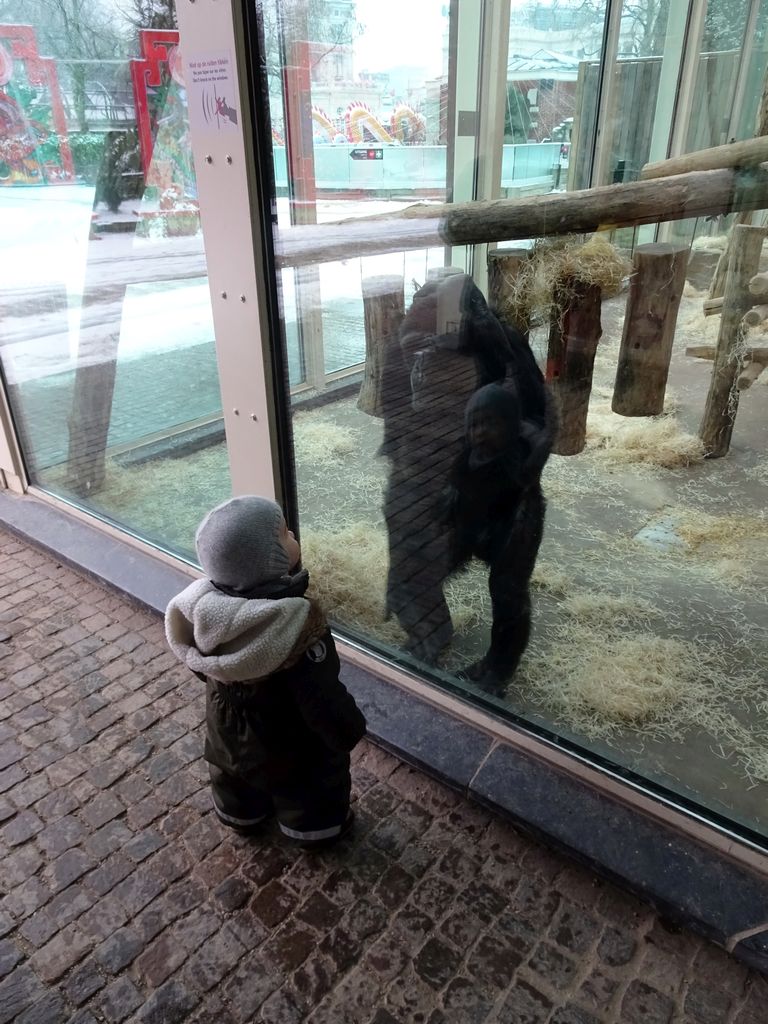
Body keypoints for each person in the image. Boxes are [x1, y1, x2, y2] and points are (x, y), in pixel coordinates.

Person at [165, 495, 366, 846]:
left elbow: (208, 671)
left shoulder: (204, 615)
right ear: (270, 560)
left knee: (233, 774)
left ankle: (240, 815)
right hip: (291, 745)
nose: (292, 535)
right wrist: (347, 729)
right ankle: (312, 831)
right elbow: (320, 697)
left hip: (227, 732)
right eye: (284, 534)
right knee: (308, 785)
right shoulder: (295, 629)